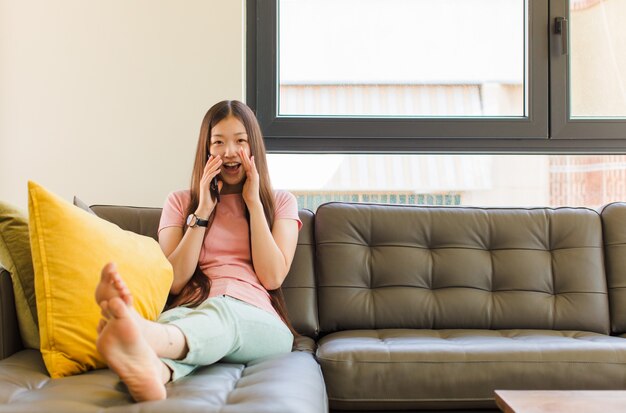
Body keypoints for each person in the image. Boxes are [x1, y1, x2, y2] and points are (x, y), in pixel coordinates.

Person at [94, 100, 302, 402]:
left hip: (258, 320)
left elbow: (271, 277)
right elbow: (176, 281)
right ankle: (155, 371)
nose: (229, 152)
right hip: (192, 310)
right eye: (218, 142)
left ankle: (142, 333)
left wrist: (254, 203)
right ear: (206, 149)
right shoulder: (180, 203)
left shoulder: (280, 202)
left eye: (240, 141)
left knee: (222, 313)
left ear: (253, 146)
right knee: (184, 322)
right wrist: (203, 209)